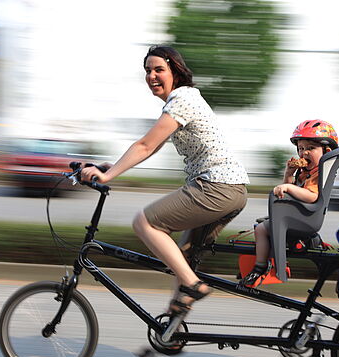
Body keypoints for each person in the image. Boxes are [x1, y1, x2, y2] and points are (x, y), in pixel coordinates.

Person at [81, 45, 249, 315]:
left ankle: (193, 285)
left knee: (145, 222)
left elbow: (146, 145)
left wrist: (108, 176)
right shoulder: (184, 100)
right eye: (148, 71)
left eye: (159, 69)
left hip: (215, 187)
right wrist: (113, 168)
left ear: (176, 71)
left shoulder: (182, 98)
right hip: (232, 190)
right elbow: (153, 146)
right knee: (183, 256)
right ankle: (173, 325)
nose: (152, 76)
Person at [240, 119, 339, 286]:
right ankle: (272, 261)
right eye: (301, 148)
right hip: (300, 215)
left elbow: (311, 196)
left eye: (311, 148)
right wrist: (288, 174)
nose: (304, 153)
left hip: (306, 218)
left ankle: (260, 267)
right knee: (264, 222)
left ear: (326, 151)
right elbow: (291, 191)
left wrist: (287, 187)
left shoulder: (319, 174)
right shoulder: (305, 172)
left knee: (261, 229)